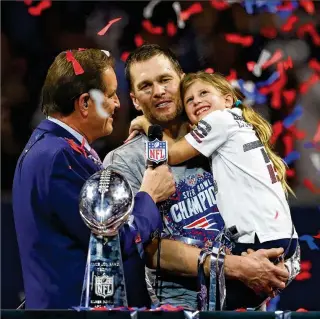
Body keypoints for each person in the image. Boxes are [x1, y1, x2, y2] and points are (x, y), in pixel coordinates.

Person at [103, 44, 300, 310]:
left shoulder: (224, 137)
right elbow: (143, 248)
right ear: (135, 100)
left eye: (165, 80)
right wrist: (234, 266)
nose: (159, 91)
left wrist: (283, 266)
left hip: (246, 309)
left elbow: (271, 210)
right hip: (179, 310)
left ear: (181, 79)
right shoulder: (123, 160)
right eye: (146, 86)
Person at [12, 49, 176, 309]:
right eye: (111, 95)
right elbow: (112, 241)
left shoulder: (51, 147)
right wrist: (149, 195)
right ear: (85, 103)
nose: (118, 104)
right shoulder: (58, 157)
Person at [129, 71, 298, 259]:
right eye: (189, 100)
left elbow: (172, 154)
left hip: (258, 239)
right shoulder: (238, 122)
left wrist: (146, 124)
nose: (196, 101)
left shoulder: (219, 120)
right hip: (282, 234)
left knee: (226, 276)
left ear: (227, 100)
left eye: (204, 93)